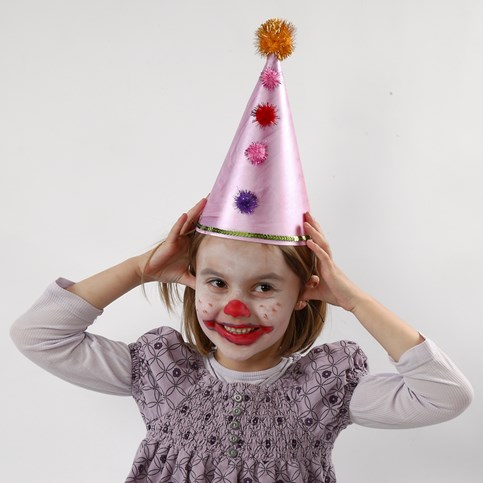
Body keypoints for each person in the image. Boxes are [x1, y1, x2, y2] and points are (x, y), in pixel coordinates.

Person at [10, 18, 473, 483]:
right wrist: (137, 269)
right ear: (192, 280)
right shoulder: (161, 376)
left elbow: (446, 395)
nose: (236, 306)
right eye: (217, 281)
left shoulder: (324, 390)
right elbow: (38, 335)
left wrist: (355, 299)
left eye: (265, 286)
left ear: (303, 292)